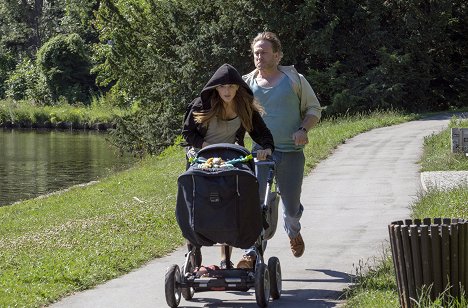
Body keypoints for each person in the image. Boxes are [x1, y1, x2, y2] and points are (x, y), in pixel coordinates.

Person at [237, 32, 322, 268]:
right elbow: (236, 116)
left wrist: (303, 130)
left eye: (264, 52)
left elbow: (314, 109)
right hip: (261, 154)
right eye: (256, 52)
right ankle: (251, 252)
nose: (259, 56)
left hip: (291, 152)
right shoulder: (247, 84)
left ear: (277, 54)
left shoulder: (294, 80)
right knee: (255, 205)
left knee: (292, 206)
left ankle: (293, 230)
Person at [182, 63, 275, 269]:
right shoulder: (201, 105)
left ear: (238, 88)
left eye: (231, 87)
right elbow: (187, 134)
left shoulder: (244, 106)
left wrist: (266, 148)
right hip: (201, 159)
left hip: (230, 159)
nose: (227, 91)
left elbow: (262, 133)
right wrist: (206, 147)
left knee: (229, 205)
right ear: (215, 87)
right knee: (197, 203)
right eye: (223, 86)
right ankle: (193, 250)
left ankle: (226, 259)